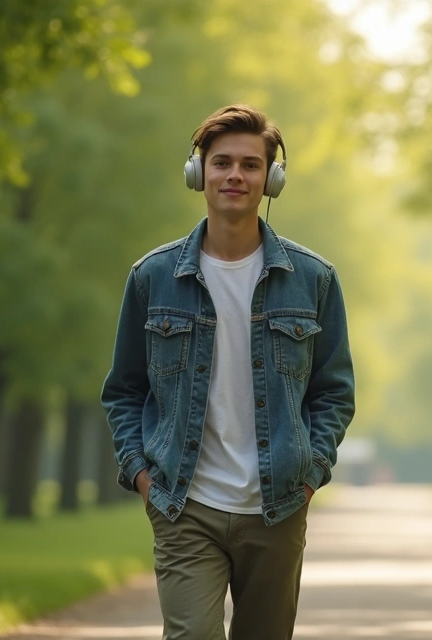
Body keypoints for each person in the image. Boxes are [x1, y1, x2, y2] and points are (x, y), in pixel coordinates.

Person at [101, 104, 355, 639]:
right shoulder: (153, 277)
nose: (234, 175)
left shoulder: (314, 279)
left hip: (278, 506)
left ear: (271, 179)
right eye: (221, 163)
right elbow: (124, 390)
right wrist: (142, 476)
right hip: (183, 503)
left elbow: (333, 393)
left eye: (249, 164)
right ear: (198, 173)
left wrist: (310, 477)